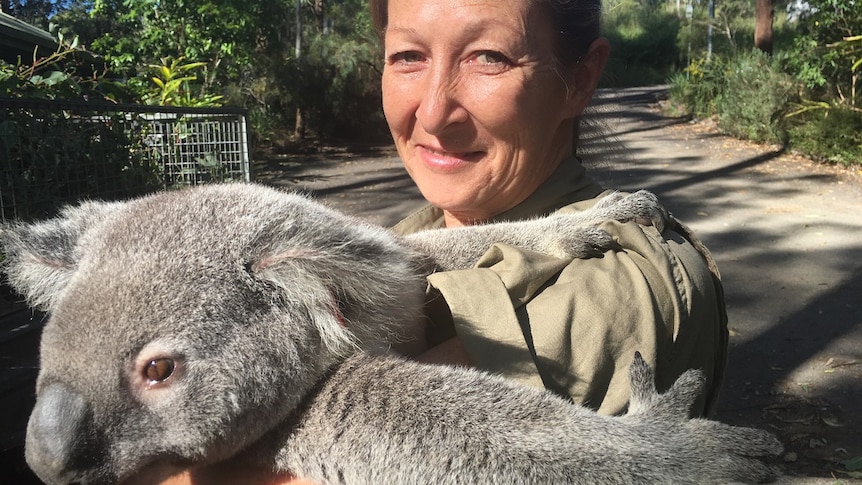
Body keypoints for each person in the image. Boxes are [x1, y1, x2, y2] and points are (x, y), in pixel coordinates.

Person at [159, 0, 727, 483]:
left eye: (489, 58)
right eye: (408, 56)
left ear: (579, 78)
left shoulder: (620, 275)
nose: (432, 114)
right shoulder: (404, 236)